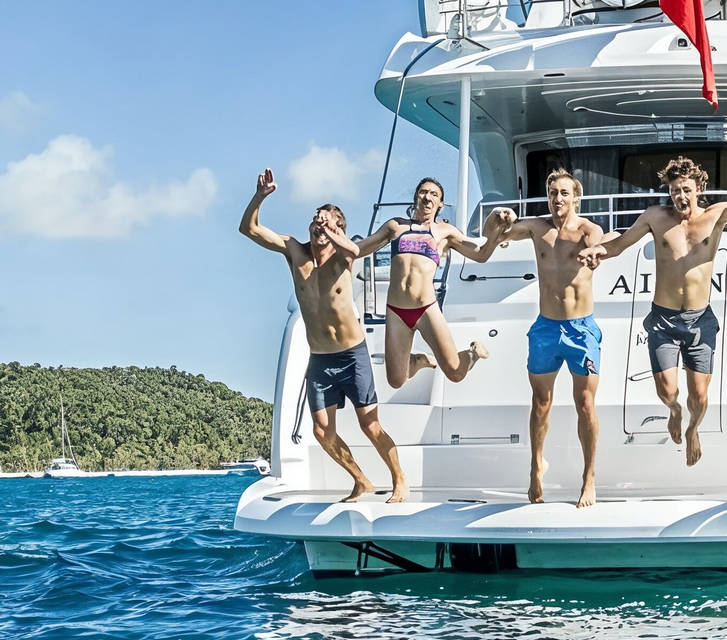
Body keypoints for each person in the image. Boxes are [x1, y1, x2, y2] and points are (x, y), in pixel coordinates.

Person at [581, 153, 727, 467]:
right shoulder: (655, 217)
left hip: (700, 320)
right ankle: (674, 411)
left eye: (686, 189)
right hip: (663, 318)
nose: (680, 196)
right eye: (675, 190)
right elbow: (620, 243)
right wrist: (598, 251)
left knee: (700, 395)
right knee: (667, 391)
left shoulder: (717, 214)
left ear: (698, 189)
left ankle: (693, 428)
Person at [239, 169, 406, 503]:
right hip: (320, 360)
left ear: (338, 230)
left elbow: (374, 240)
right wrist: (261, 196)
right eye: (316, 220)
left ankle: (400, 479)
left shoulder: (346, 255)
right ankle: (361, 480)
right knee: (321, 431)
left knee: (369, 426)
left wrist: (337, 233)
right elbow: (249, 229)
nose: (319, 225)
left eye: (327, 222)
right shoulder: (294, 252)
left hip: (351, 355)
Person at [486, 168, 607, 507]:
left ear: (576, 198)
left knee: (585, 405)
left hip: (581, 330)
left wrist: (594, 252)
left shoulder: (587, 230)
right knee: (541, 403)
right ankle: (536, 464)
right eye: (553, 193)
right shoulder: (537, 229)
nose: (557, 199)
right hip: (545, 328)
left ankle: (589, 478)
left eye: (564, 193)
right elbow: (492, 236)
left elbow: (602, 240)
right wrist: (499, 216)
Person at [357, 177, 508, 391]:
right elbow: (359, 249)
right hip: (396, 311)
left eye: (434, 194)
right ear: (416, 197)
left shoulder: (444, 232)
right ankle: (418, 361)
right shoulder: (396, 225)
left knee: (455, 373)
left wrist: (497, 233)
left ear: (440, 204)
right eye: (423, 192)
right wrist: (330, 245)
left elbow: (481, 253)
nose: (428, 197)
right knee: (396, 381)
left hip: (426, 309)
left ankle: (473, 353)